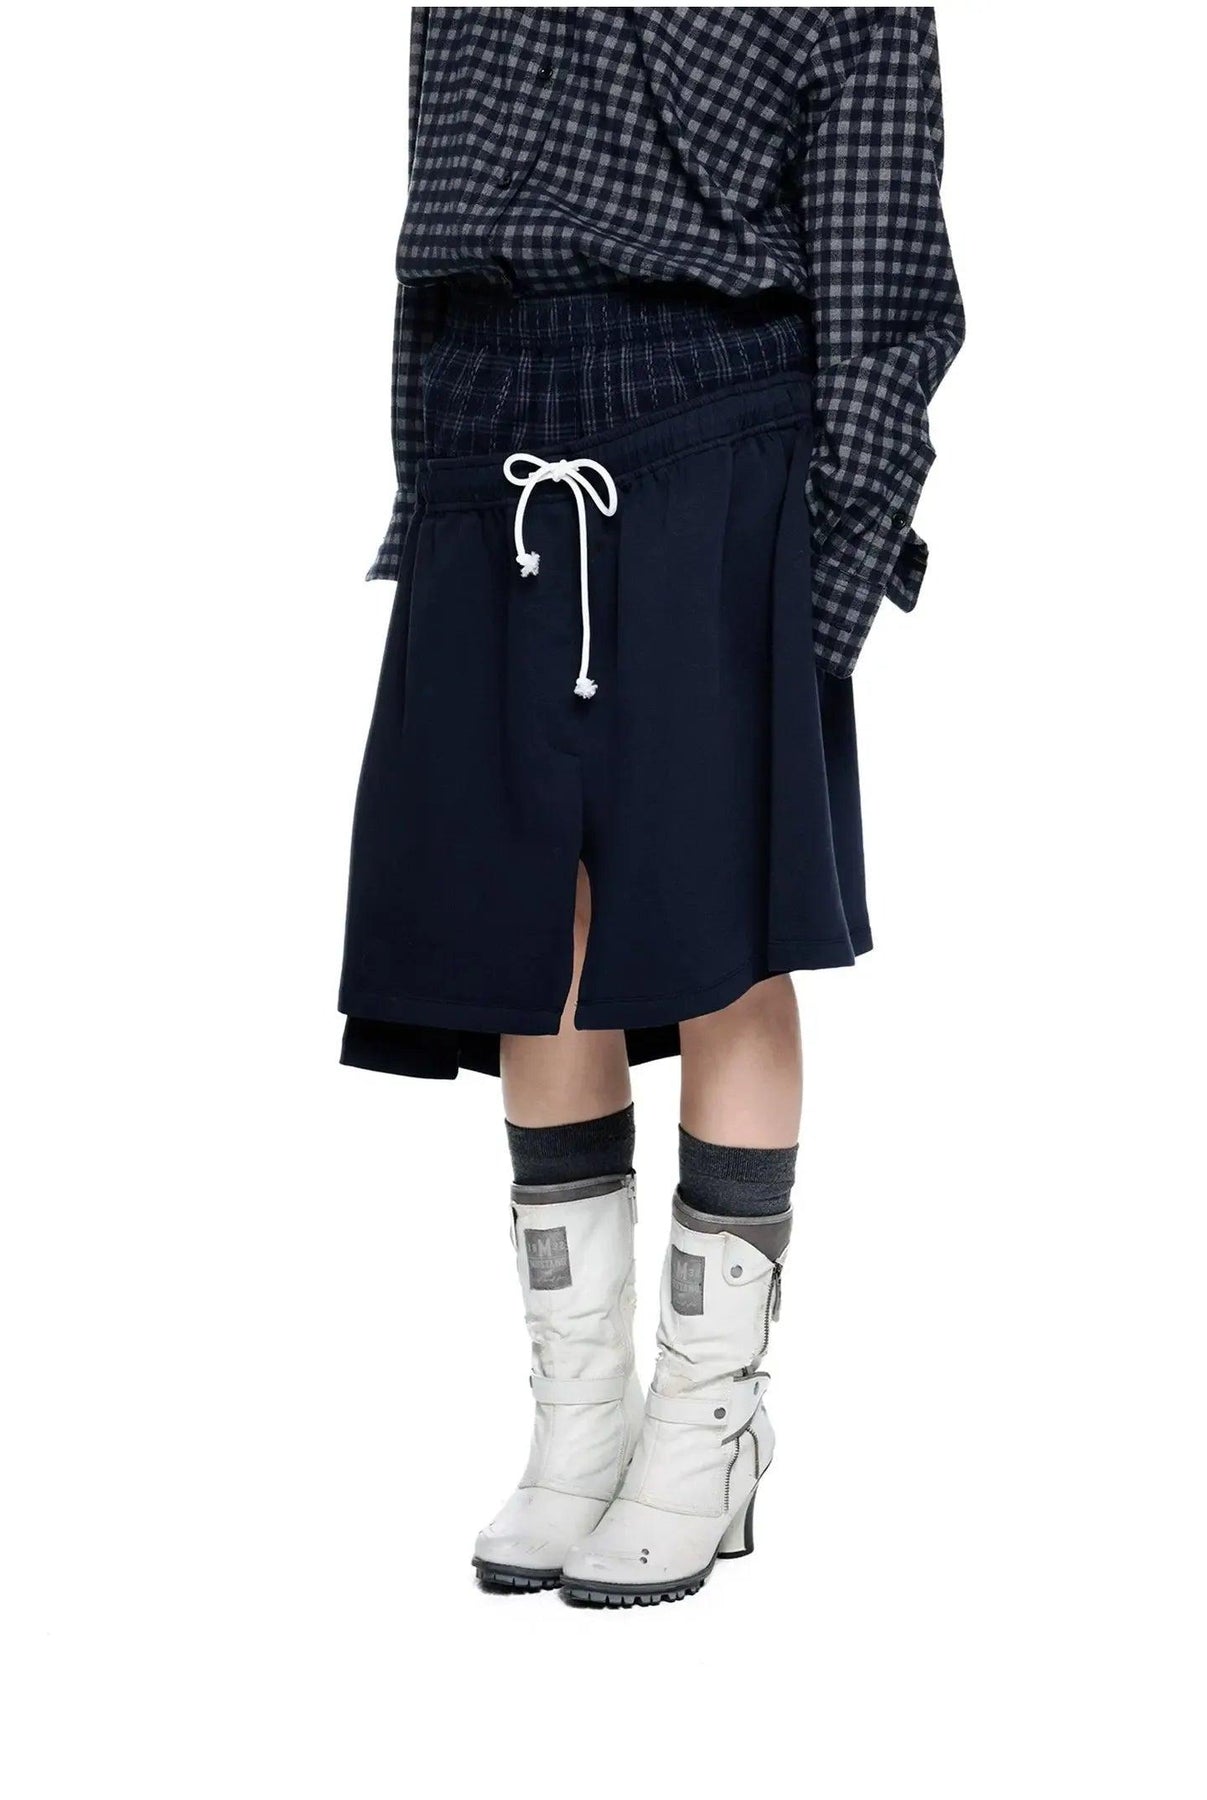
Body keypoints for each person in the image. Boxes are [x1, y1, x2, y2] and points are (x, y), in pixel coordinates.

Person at [338, 6, 963, 1607]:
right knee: (529, 936)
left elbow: (892, 290)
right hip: (493, 428)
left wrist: (823, 579)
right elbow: (429, 230)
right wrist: (429, 492)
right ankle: (580, 1423)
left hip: (717, 427)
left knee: (719, 939)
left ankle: (705, 1428)